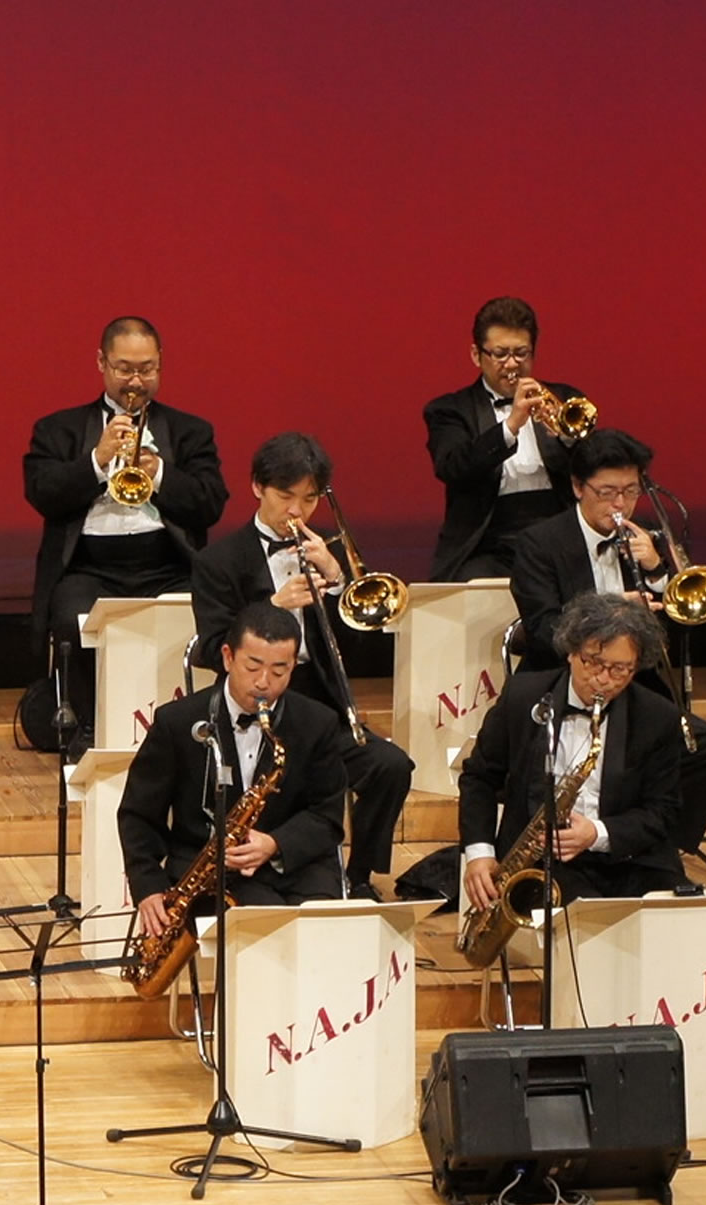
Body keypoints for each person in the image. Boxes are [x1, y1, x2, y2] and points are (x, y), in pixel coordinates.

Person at [189, 432, 415, 900]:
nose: (297, 511)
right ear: (257, 487)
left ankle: (359, 876)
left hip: (317, 702)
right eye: (285, 496)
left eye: (309, 499)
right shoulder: (219, 560)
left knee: (389, 765)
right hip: (254, 701)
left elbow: (357, 647)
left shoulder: (329, 554)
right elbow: (210, 648)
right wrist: (270, 606)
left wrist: (337, 583)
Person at [507, 428, 706, 862]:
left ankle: (655, 848)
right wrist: (613, 610)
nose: (620, 505)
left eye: (631, 492)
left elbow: (683, 629)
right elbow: (542, 630)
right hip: (565, 681)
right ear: (578, 487)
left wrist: (656, 571)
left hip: (635, 688)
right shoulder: (539, 543)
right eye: (607, 492)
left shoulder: (647, 539)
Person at [24, 316, 228, 750]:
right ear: (101, 363)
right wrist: (97, 461)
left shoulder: (191, 431)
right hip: (89, 567)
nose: (136, 382)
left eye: (147, 369)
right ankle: (85, 730)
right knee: (71, 618)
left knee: (207, 615)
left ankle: (194, 730)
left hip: (168, 565)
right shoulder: (57, 429)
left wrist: (160, 473)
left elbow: (210, 504)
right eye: (125, 369)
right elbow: (42, 494)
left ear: (161, 364)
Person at [119, 603, 351, 943]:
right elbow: (138, 814)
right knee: (268, 931)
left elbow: (327, 815)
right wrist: (148, 885)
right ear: (228, 657)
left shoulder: (318, 723)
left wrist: (275, 844)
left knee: (325, 936)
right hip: (212, 873)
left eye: (279, 671)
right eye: (252, 667)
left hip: (296, 866)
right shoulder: (177, 722)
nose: (263, 683)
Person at [458, 593, 689, 911]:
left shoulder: (657, 716)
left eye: (619, 670)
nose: (603, 680)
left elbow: (663, 811)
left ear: (636, 668)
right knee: (589, 922)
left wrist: (596, 833)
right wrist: (479, 853)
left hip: (628, 855)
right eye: (592, 662)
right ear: (571, 652)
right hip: (545, 860)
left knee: (678, 919)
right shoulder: (523, 697)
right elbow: (479, 778)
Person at [423, 296, 588, 582]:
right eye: (500, 354)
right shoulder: (449, 409)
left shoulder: (565, 397)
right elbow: (452, 467)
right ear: (476, 355)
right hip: (487, 541)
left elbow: (594, 469)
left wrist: (566, 440)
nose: (512, 365)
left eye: (521, 353)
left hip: (557, 527)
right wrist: (511, 425)